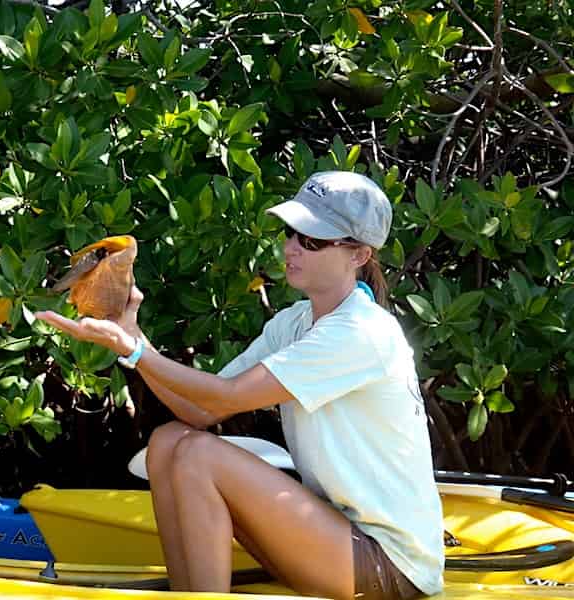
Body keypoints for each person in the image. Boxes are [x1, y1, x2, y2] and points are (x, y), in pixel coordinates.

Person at [35, 171, 444, 600]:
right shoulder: (293, 323)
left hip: (390, 570)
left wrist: (137, 353)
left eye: (312, 240)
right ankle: (189, 593)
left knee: (197, 454)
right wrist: (132, 337)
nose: (291, 247)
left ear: (359, 255)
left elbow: (227, 396)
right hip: (335, 543)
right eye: (292, 233)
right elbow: (201, 410)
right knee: (169, 440)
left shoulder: (361, 332)